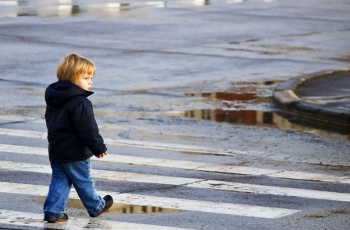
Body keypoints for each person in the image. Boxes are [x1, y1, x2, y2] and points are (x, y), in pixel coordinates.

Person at [43, 53, 113, 223]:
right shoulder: (81, 102)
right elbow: (88, 129)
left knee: (60, 180)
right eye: (86, 77)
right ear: (73, 78)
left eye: (91, 78)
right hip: (75, 152)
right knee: (83, 180)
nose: (90, 82)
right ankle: (96, 206)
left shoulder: (54, 97)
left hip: (57, 149)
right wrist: (99, 147)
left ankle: (53, 211)